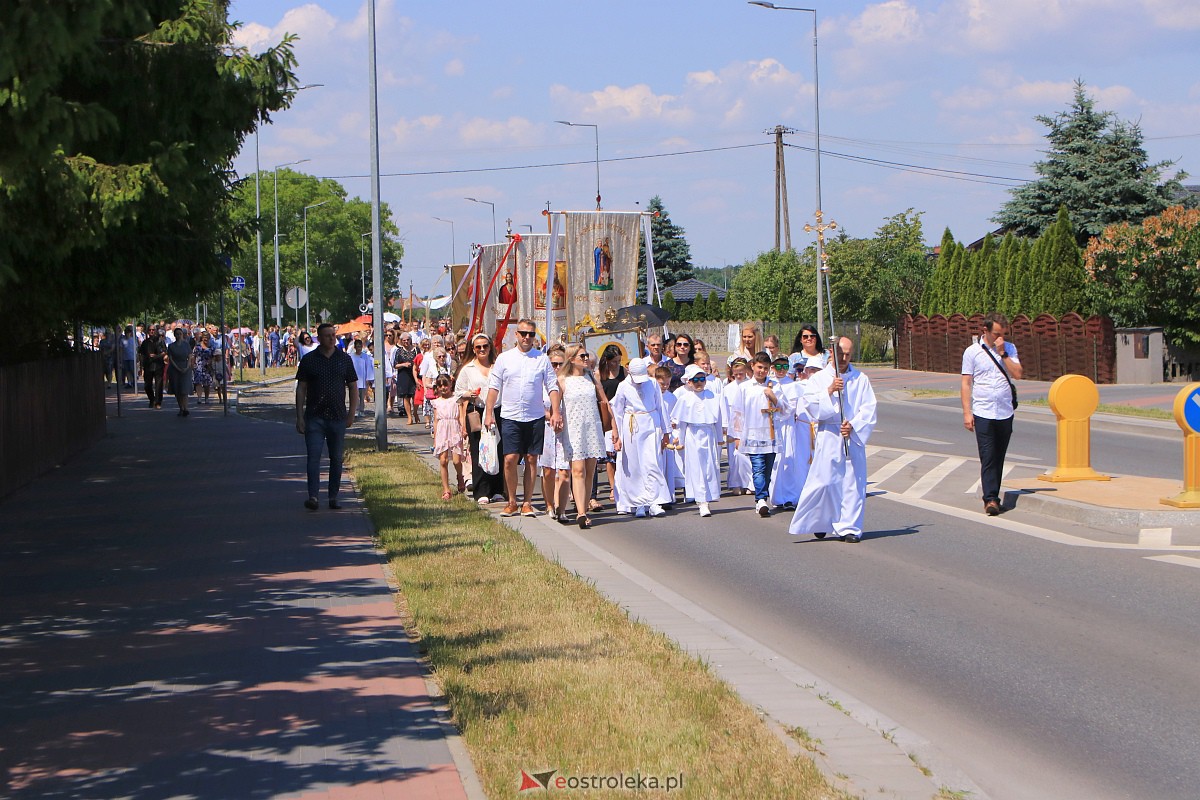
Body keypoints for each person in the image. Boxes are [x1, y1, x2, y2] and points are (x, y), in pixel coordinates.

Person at [789, 337, 878, 543]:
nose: (844, 358)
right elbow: (810, 405)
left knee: (852, 483)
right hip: (829, 434)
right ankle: (821, 521)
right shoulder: (819, 379)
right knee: (825, 481)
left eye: (848, 354)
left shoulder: (860, 378)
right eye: (840, 354)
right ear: (831, 352)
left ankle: (849, 527)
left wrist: (854, 424)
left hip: (851, 435)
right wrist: (828, 391)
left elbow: (869, 407)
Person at [482, 318, 562, 518]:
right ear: (516, 335)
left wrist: (556, 412)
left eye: (531, 334)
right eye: (523, 334)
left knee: (531, 458)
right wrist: (489, 412)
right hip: (510, 415)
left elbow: (552, 387)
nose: (527, 338)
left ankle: (527, 502)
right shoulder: (504, 358)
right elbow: (494, 387)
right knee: (510, 459)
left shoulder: (541, 359)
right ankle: (511, 501)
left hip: (534, 416)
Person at [961, 312, 1022, 516]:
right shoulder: (972, 352)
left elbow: (1018, 374)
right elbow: (966, 383)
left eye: (1003, 333)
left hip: (1005, 411)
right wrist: (967, 413)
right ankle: (991, 499)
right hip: (983, 411)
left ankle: (994, 493)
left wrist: (1003, 353)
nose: (1000, 337)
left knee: (999, 456)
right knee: (988, 456)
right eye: (996, 333)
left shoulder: (1009, 348)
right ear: (985, 330)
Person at [295, 323, 359, 511]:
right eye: (327, 336)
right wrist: (299, 416)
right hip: (315, 416)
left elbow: (353, 387)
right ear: (319, 338)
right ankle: (313, 496)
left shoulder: (344, 359)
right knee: (313, 457)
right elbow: (301, 388)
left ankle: (333, 496)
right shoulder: (309, 360)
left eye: (333, 335)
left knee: (336, 458)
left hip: (338, 416)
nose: (332, 339)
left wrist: (351, 413)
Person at [610, 357, 670, 518]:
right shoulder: (623, 386)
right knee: (635, 466)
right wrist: (619, 436)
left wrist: (666, 431)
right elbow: (617, 412)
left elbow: (660, 407)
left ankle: (655, 501)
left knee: (653, 463)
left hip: (651, 424)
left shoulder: (653, 384)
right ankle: (638, 503)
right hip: (632, 427)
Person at [730, 352, 787, 517]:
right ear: (753, 366)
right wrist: (737, 436)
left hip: (771, 434)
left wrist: (774, 397)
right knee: (758, 468)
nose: (762, 371)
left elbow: (786, 410)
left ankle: (763, 496)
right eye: (759, 367)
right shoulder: (745, 388)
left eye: (765, 368)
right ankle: (760, 499)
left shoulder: (774, 385)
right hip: (753, 432)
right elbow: (738, 413)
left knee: (768, 469)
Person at [557, 344, 608, 529]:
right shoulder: (562, 379)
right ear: (572, 359)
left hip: (591, 427)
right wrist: (555, 416)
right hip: (573, 429)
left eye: (586, 355)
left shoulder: (591, 377)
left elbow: (603, 401)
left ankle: (584, 506)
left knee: (589, 471)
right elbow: (555, 404)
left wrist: (613, 426)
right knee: (577, 470)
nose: (586, 359)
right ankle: (581, 513)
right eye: (582, 356)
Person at [454, 333, 505, 504]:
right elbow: (458, 392)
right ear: (473, 350)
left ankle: (497, 489)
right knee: (478, 450)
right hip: (476, 410)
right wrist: (470, 393)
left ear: (490, 347)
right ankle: (481, 490)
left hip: (498, 410)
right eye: (478, 347)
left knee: (498, 449)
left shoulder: (498, 366)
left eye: (485, 346)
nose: (482, 349)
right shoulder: (468, 369)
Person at [672, 364, 723, 517]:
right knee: (696, 467)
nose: (699, 382)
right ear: (688, 382)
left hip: (709, 433)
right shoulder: (685, 398)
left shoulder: (713, 396)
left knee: (709, 466)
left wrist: (720, 438)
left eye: (702, 379)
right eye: (695, 380)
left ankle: (708, 495)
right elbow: (681, 423)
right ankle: (702, 501)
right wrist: (680, 441)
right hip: (692, 434)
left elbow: (718, 419)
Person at [769, 355, 819, 509]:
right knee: (775, 462)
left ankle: (790, 497)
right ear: (772, 368)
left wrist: (778, 403)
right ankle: (774, 496)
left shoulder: (792, 385)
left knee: (789, 460)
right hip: (771, 426)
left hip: (787, 426)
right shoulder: (768, 384)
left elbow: (789, 410)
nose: (781, 370)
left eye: (784, 367)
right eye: (778, 367)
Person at [541, 344, 572, 522]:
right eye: (553, 364)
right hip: (547, 427)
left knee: (564, 470)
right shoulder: (543, 385)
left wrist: (562, 418)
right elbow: (537, 405)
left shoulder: (568, 383)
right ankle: (550, 505)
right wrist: (552, 415)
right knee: (548, 471)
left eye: (560, 364)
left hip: (564, 429)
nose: (557, 368)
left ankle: (562, 509)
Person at [596, 345, 626, 507]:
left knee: (621, 451)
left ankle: (623, 484)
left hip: (621, 414)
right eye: (613, 362)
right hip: (606, 415)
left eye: (618, 361)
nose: (616, 364)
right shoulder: (600, 374)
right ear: (606, 361)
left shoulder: (623, 372)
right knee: (610, 455)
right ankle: (613, 485)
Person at [721, 357, 753, 495]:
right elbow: (724, 408)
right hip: (733, 427)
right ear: (732, 373)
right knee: (734, 456)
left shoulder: (749, 385)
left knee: (747, 456)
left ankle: (748, 483)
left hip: (748, 425)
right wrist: (725, 426)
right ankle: (735, 483)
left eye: (741, 372)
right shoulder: (727, 389)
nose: (739, 376)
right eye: (736, 373)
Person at [430, 374, 466, 499]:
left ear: (450, 385)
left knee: (456, 460)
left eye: (445, 385)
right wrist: (435, 437)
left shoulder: (456, 399)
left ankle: (460, 476)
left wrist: (463, 428)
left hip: (454, 428)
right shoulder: (436, 402)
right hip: (442, 430)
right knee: (443, 460)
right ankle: (446, 489)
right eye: (440, 386)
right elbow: (435, 420)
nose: (443, 388)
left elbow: (461, 416)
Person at [656, 365, 684, 503]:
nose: (665, 386)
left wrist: (673, 423)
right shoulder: (652, 395)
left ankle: (669, 495)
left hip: (668, 435)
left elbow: (676, 415)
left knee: (668, 465)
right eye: (662, 383)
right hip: (656, 434)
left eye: (667, 383)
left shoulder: (671, 398)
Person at [166, 325, 195, 417]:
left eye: (180, 334)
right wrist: (177, 368)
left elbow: (190, 356)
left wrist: (187, 367)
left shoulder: (186, 345)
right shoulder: (171, 346)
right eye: (177, 334)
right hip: (175, 369)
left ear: (182, 335)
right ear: (174, 335)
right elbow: (171, 359)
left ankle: (186, 408)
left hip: (185, 367)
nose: (179, 335)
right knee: (177, 390)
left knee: (184, 389)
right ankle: (181, 408)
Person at [392, 333, 419, 424]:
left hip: (414, 375)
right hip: (403, 375)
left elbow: (420, 361)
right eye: (404, 340)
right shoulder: (399, 351)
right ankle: (409, 417)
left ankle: (415, 412)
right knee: (406, 397)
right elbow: (395, 365)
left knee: (415, 396)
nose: (406, 342)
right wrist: (403, 364)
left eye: (407, 340)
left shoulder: (416, 349)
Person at [138, 327, 167, 409]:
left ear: (156, 331)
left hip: (158, 365)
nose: (151, 331)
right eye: (150, 330)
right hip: (148, 366)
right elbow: (141, 355)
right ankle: (152, 399)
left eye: (153, 330)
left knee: (159, 385)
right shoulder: (145, 342)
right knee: (147, 385)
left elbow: (164, 352)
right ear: (147, 331)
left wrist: (156, 356)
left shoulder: (160, 341)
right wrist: (141, 367)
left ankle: (158, 402)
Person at [350, 338, 375, 416]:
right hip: (354, 379)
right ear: (355, 347)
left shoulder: (365, 356)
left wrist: (368, 378)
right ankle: (356, 410)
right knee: (355, 396)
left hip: (363, 379)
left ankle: (362, 410)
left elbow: (369, 367)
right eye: (357, 346)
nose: (359, 348)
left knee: (362, 395)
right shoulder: (351, 357)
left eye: (360, 346)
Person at [193, 331, 215, 406]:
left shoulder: (211, 347)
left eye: (207, 338)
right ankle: (199, 398)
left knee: (207, 384)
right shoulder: (197, 346)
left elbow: (214, 357)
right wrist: (193, 365)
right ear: (202, 338)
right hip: (199, 366)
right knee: (198, 383)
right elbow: (193, 356)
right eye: (204, 338)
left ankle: (206, 398)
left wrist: (210, 361)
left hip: (207, 367)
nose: (206, 339)